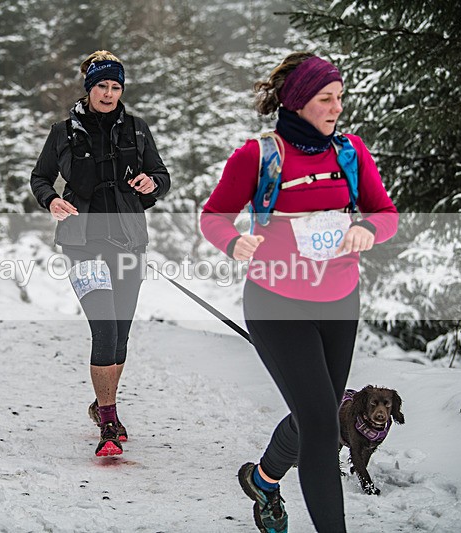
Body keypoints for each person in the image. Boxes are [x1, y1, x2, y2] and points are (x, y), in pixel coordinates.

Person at [201, 53, 398, 532]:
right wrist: (235, 241)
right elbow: (214, 217)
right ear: (297, 101)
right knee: (321, 425)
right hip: (276, 303)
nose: (336, 108)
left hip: (339, 303)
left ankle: (265, 480)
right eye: (325, 99)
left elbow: (386, 213)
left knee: (320, 413)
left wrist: (368, 231)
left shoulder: (350, 153)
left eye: (340, 98)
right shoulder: (259, 156)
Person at [30, 51, 170, 457]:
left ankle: (101, 403)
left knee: (121, 334)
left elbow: (162, 176)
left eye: (115, 86)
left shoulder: (138, 131)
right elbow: (40, 177)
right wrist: (50, 200)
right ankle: (109, 418)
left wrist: (151, 184)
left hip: (129, 241)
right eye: (101, 86)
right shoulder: (63, 132)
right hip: (82, 242)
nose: (109, 93)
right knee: (105, 327)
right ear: (88, 88)